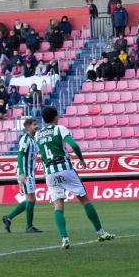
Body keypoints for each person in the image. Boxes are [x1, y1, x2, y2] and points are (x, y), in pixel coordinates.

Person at [36, 106, 114, 248]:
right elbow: (74, 145)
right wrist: (81, 159)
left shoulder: (38, 135)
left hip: (49, 172)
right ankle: (100, 232)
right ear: (55, 117)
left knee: (58, 206)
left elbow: (45, 152)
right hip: (65, 168)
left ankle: (64, 239)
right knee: (84, 200)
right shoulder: (60, 128)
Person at [2, 118, 42, 234]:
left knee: (31, 199)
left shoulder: (33, 140)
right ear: (28, 127)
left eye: (36, 124)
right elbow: (20, 155)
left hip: (30, 172)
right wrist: (22, 173)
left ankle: (8, 217)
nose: (37, 126)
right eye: (34, 124)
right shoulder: (25, 139)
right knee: (30, 199)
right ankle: (29, 227)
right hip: (25, 172)